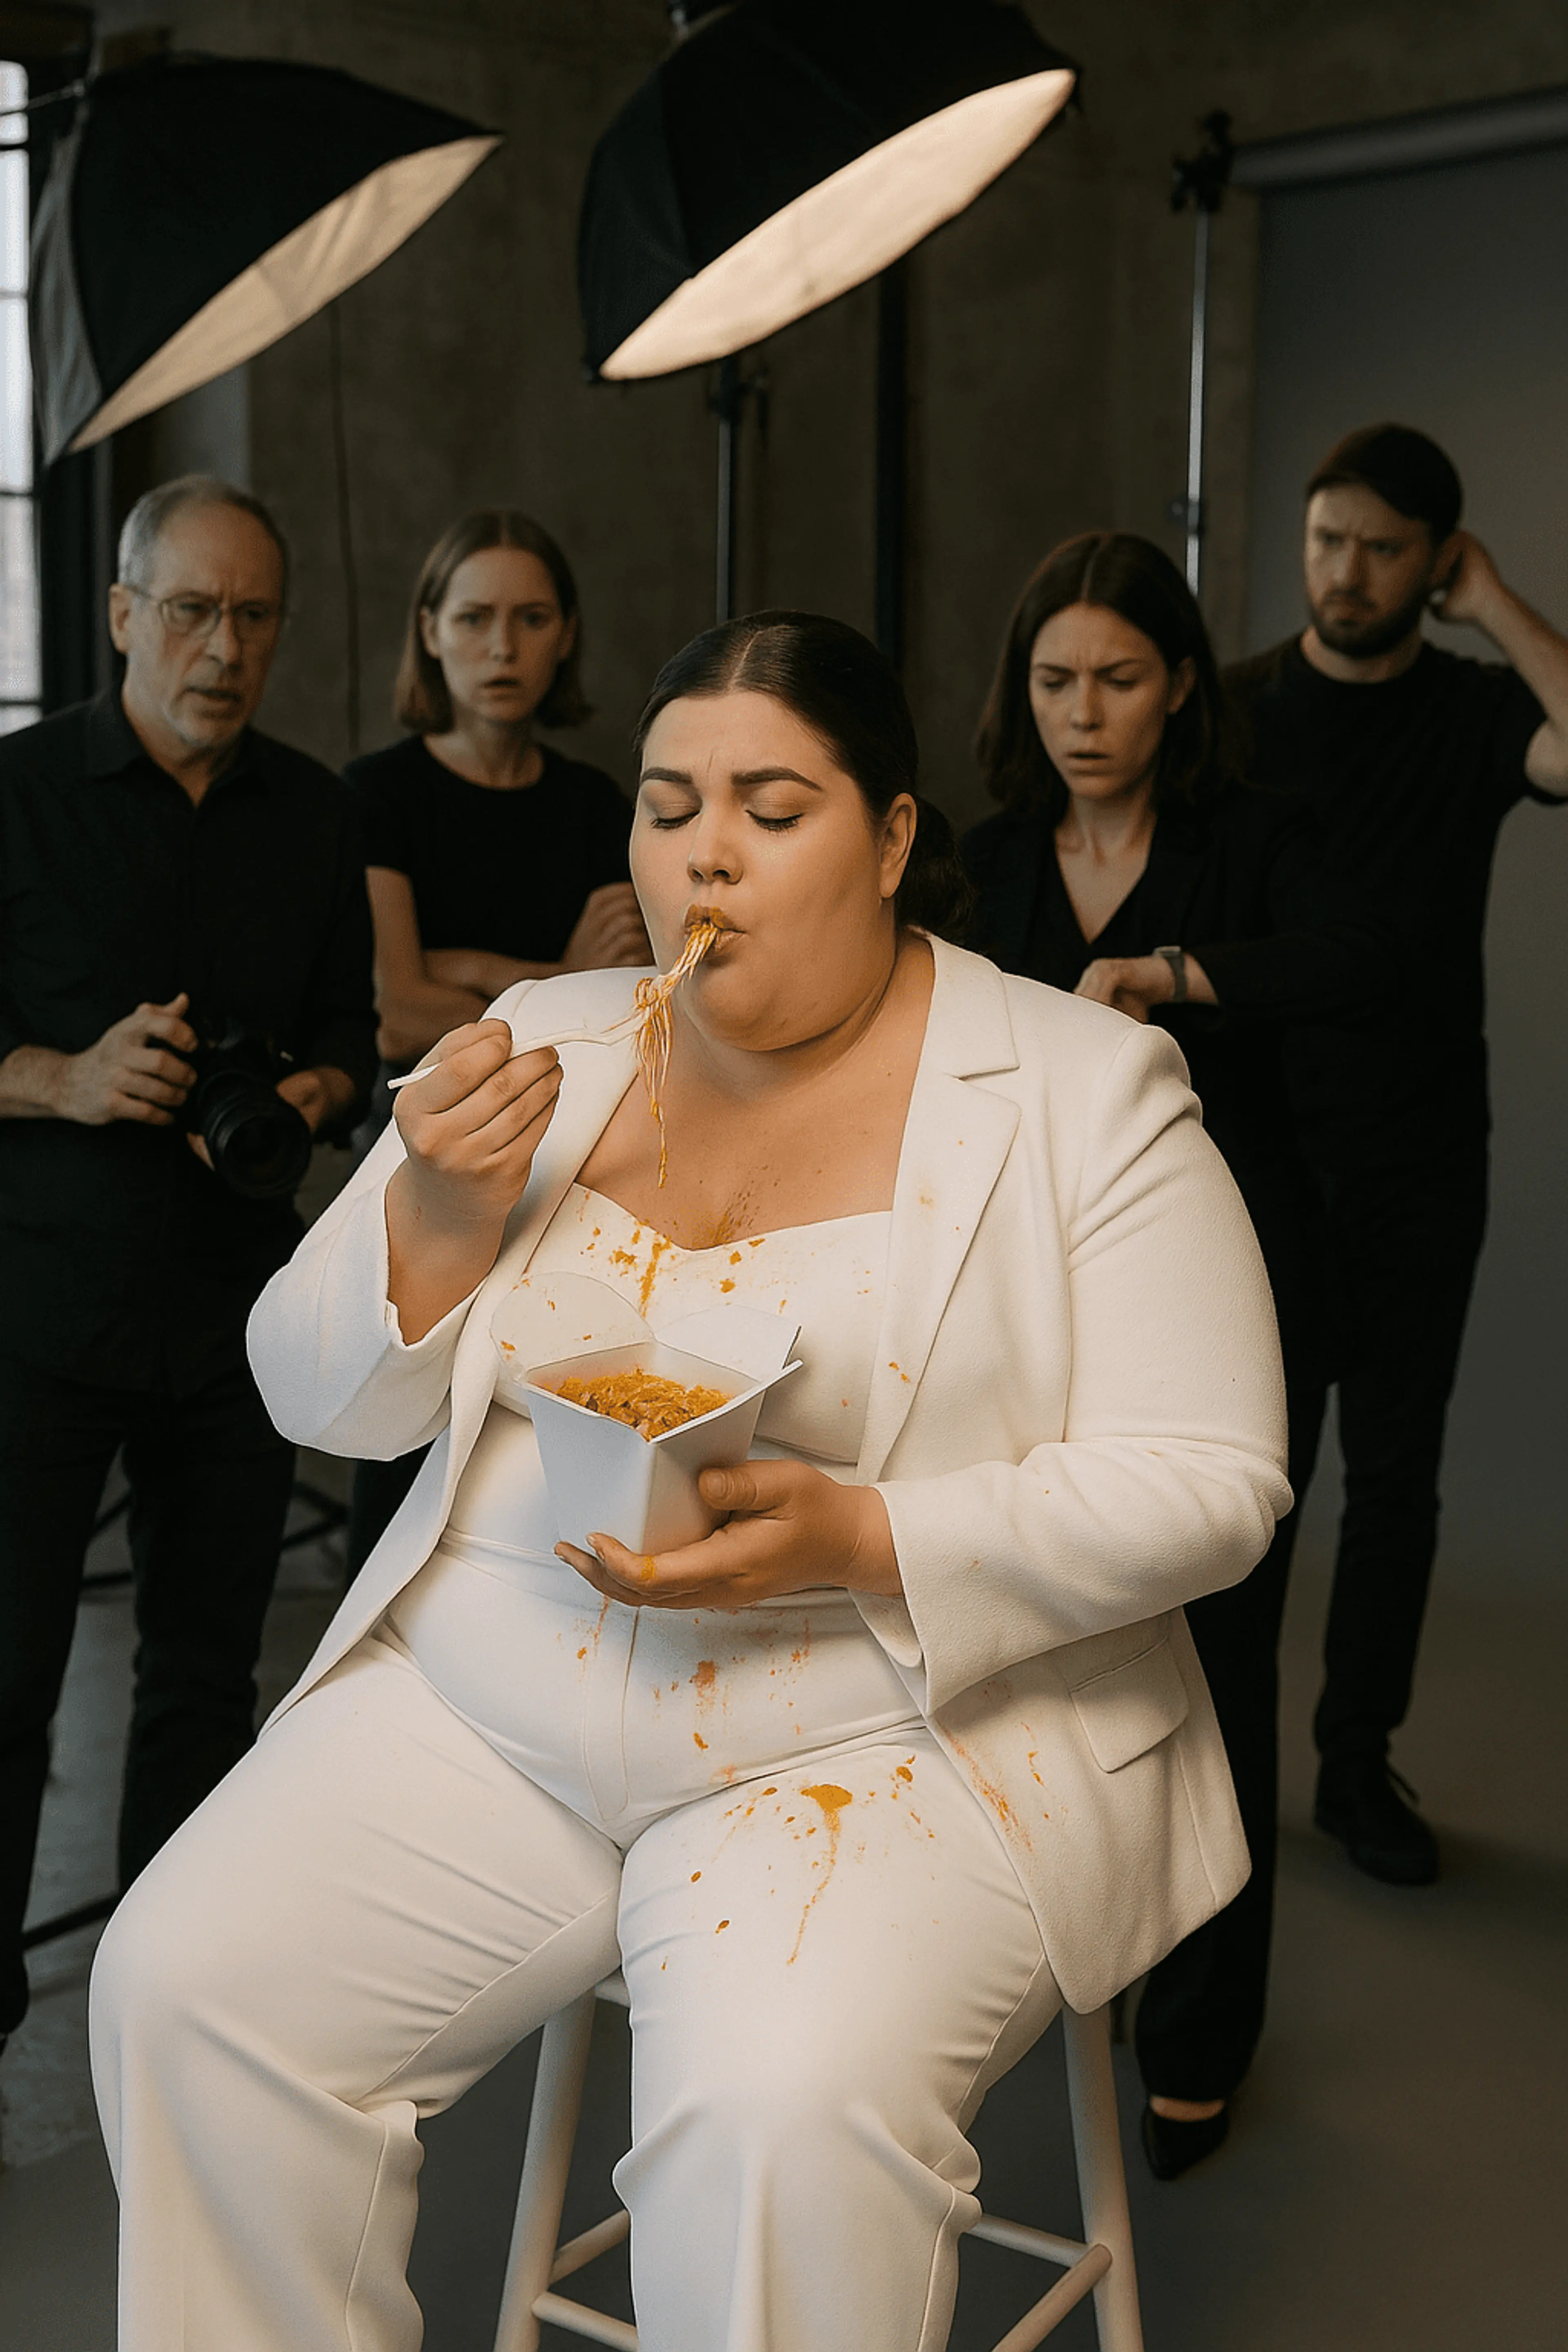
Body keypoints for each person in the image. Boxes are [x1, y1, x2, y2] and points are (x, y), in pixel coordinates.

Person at [91, 612, 1288, 2352]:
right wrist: (434, 1213)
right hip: (491, 1699)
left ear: (891, 836)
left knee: (774, 2127)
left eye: (771, 810)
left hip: (878, 1734)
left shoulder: (1080, 1090)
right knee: (185, 1989)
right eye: (666, 809)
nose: (703, 855)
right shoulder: (549, 1039)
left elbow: (1217, 1479)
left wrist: (872, 1536)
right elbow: (307, 1390)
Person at [964, 530, 1379, 2178]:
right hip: (1026, 1314)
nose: (1085, 713)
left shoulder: (1260, 839)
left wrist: (1176, 974)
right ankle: (1072, 1957)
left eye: (1120, 679)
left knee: (1219, 1660)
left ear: (1183, 687)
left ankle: (1202, 2036)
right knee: (1049, 1649)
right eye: (1056, 680)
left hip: (1234, 1308)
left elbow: (1362, 961)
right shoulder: (989, 861)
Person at [0, 475, 376, 2075]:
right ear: (122, 614)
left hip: (237, 1311)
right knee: (7, 1687)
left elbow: (354, 1037)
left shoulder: (316, 813)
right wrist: (66, 1079)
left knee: (209, 1684)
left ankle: (169, 2033)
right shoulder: (18, 793)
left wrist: (312, 1092)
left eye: (253, 616)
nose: (223, 647)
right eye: (191, 610)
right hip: (38, 1310)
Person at [1227, 423, 1568, 1886]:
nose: (1347, 572)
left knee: (1395, 1482)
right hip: (1259, 1147)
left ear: (1436, 561)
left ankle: (1357, 1767)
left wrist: (1495, 605)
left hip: (1424, 1150)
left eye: (1382, 548)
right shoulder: (1235, 710)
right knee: (1253, 1475)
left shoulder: (1477, 712)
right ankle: (1221, 1769)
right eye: (1327, 541)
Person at [342, 508, 648, 1571]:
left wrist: (468, 971)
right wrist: (552, 972)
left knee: (532, 1425)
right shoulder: (380, 794)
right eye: (474, 619)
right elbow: (398, 1013)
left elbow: (626, 1008)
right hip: (423, 1147)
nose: (502, 647)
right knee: (405, 1413)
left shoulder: (597, 804)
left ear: (568, 635)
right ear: (429, 631)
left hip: (574, 1147)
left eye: (531, 619)